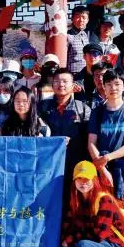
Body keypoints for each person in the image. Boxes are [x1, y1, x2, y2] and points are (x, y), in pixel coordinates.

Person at [88, 70, 124, 201]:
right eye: (109, 84)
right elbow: (91, 143)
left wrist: (108, 157)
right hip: (100, 167)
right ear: (104, 87)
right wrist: (102, 169)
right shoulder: (97, 112)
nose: (113, 88)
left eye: (117, 84)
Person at [40, 68, 92, 198]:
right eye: (57, 81)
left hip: (75, 164)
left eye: (65, 81)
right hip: (49, 163)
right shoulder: (42, 107)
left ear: (73, 85)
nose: (61, 84)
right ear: (52, 85)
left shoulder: (82, 109)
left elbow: (90, 138)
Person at [67, 5, 92, 75]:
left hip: (86, 74)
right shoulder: (67, 36)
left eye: (84, 17)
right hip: (73, 75)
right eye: (78, 17)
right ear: (72, 18)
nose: (81, 20)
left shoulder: (85, 35)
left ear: (87, 20)